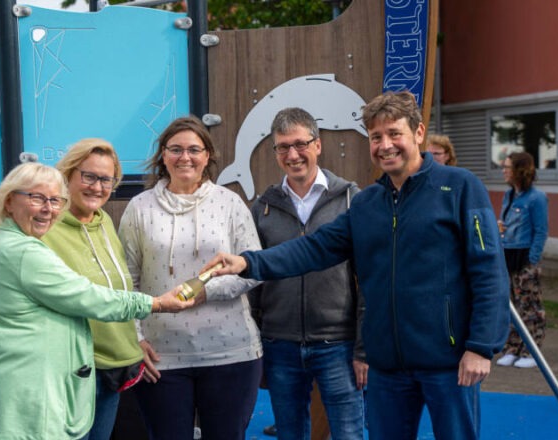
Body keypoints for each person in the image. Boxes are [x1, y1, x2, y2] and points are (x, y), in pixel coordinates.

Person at [202, 91, 510, 440]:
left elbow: (489, 272)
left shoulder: (460, 187)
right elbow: (312, 249)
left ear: (418, 133)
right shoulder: (366, 204)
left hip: (449, 362)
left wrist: (480, 346)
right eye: (376, 137)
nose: (385, 145)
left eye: (395, 134)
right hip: (388, 368)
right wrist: (246, 262)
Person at [0, 162, 195, 440]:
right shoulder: (23, 252)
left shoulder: (7, 243)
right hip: (29, 400)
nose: (48, 209)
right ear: (8, 202)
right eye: (36, 198)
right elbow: (89, 297)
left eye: (55, 201)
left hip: (31, 393)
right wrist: (156, 303)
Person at [118, 116, 263, 440]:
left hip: (231, 353)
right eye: (176, 149)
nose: (185, 157)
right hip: (161, 357)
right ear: (163, 156)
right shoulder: (140, 208)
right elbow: (126, 280)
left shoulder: (230, 203)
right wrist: (134, 338)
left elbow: (253, 268)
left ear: (207, 156)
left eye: (194, 149)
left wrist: (206, 293)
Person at [248, 107, 366, 440]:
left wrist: (363, 346)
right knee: (290, 433)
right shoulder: (262, 207)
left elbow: (367, 278)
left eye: (300, 143)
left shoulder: (350, 200)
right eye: (283, 146)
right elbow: (253, 282)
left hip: (337, 342)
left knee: (349, 433)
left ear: (318, 144)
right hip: (279, 343)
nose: (293, 154)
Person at [41, 139, 146, 440]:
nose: (97, 187)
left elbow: (120, 290)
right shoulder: (47, 228)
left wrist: (136, 340)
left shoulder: (106, 223)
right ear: (68, 175)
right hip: (74, 369)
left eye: (106, 179)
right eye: (88, 176)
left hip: (115, 366)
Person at [496, 152, 549, 369]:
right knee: (511, 307)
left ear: (520, 170)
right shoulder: (509, 196)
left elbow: (541, 230)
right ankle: (512, 348)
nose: (503, 170)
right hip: (508, 255)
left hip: (524, 257)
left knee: (529, 306)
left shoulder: (536, 198)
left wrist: (532, 260)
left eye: (507, 167)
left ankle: (531, 351)